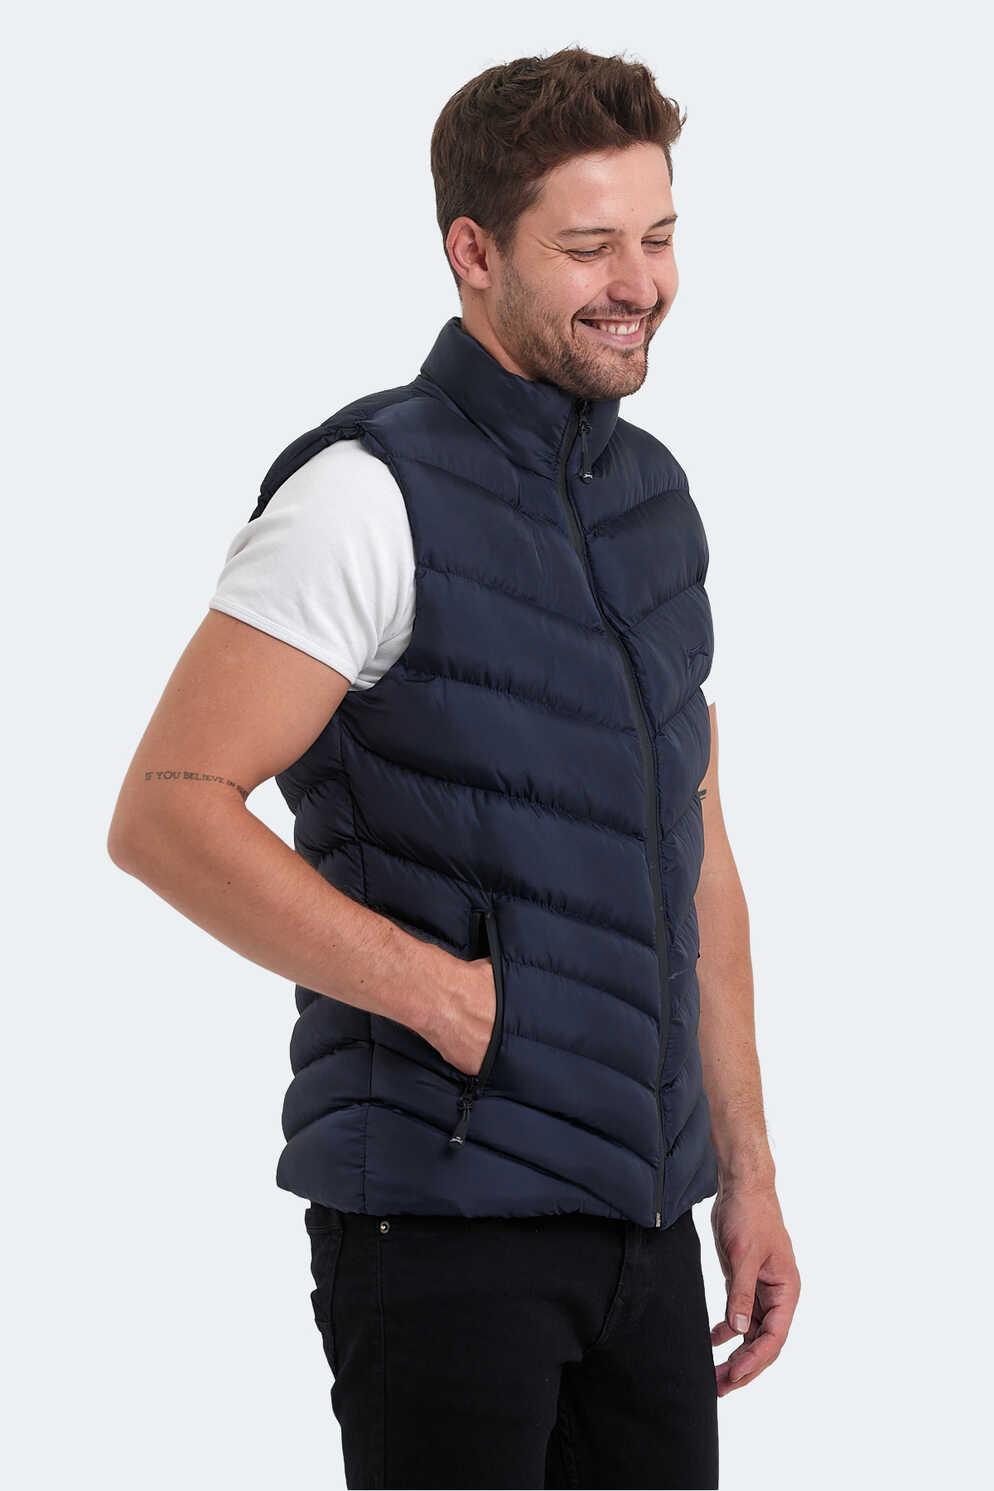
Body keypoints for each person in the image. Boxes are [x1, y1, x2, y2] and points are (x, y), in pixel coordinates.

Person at [108, 44, 800, 1491]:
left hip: (641, 1223)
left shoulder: (653, 504)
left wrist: (746, 1171)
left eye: (660, 235)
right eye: (588, 248)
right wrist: (447, 1000)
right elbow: (166, 812)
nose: (640, 282)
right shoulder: (365, 495)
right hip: (440, 1222)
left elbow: (699, 861)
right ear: (472, 253)